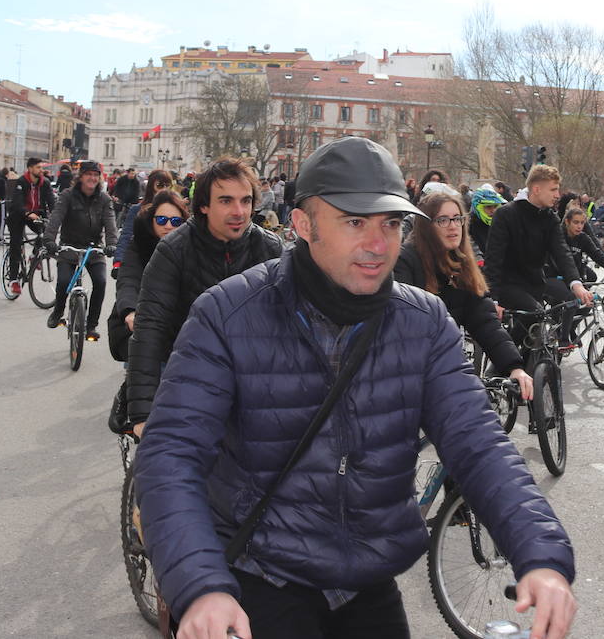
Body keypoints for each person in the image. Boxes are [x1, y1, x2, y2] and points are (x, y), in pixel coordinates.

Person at [133, 137, 576, 639]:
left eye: (391, 224)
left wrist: (540, 554)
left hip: (365, 580)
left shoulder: (423, 321)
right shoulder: (226, 313)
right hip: (259, 575)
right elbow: (171, 456)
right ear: (302, 225)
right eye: (354, 222)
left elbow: (478, 443)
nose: (379, 243)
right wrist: (201, 586)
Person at [125, 159, 283, 434]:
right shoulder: (173, 250)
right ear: (203, 206)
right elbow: (150, 326)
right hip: (182, 371)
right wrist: (143, 412)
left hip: (248, 378)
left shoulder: (270, 249)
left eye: (245, 201)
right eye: (225, 201)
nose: (238, 211)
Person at [394, 188, 534, 400]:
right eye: (443, 220)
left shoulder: (460, 264)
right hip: (408, 374)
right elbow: (403, 328)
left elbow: (484, 320)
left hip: (447, 369)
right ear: (426, 226)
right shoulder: (406, 261)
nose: (453, 226)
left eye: (457, 218)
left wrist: (514, 367)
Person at [482, 164, 591, 345]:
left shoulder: (550, 218)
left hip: (535, 285)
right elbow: (493, 259)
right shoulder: (506, 214)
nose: (558, 195)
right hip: (508, 285)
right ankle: (501, 359)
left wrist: (576, 284)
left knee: (536, 342)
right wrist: (491, 298)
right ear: (536, 189)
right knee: (536, 315)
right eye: (553, 189)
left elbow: (562, 252)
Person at [108, 189, 189, 363]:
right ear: (151, 221)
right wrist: (130, 311)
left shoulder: (192, 248)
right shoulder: (138, 244)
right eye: (161, 220)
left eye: (175, 221)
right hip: (144, 325)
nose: (168, 226)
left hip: (180, 333)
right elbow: (128, 279)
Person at [44, 160, 117, 341]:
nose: (92, 178)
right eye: (88, 174)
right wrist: (49, 239)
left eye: (95, 175)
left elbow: (110, 224)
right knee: (63, 281)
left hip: (93, 249)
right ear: (81, 177)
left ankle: (91, 325)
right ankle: (58, 311)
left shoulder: (104, 199)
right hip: (69, 247)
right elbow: (56, 217)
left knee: (100, 282)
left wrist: (111, 244)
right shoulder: (68, 195)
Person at [5, 157, 56, 297]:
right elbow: (17, 202)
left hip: (36, 214)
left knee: (46, 232)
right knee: (15, 244)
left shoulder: (44, 183)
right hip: (18, 215)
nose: (41, 170)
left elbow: (51, 201)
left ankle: (34, 256)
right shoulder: (22, 182)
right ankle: (14, 280)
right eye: (38, 167)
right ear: (30, 168)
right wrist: (27, 213)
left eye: (41, 167)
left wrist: (56, 216)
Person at [113, 169, 174, 270]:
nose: (164, 190)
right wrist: (118, 261)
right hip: (140, 260)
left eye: (167, 186)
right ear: (151, 187)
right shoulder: (137, 209)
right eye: (160, 185)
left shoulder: (175, 210)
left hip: (167, 262)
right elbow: (127, 235)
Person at [467, 185, 506, 255]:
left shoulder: (500, 222)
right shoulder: (470, 224)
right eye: (488, 207)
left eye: (495, 206)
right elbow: (470, 247)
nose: (493, 210)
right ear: (479, 207)